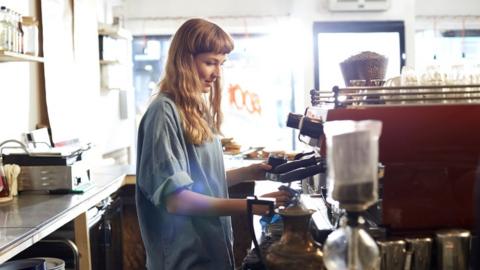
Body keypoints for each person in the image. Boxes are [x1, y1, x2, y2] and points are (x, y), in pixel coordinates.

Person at [135, 18, 292, 270]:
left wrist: (249, 172)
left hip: (207, 253)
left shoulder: (193, 110)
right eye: (210, 63)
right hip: (182, 260)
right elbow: (177, 200)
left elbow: (202, 181)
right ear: (184, 61)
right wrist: (251, 206)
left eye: (221, 64)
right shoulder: (163, 113)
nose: (217, 73)